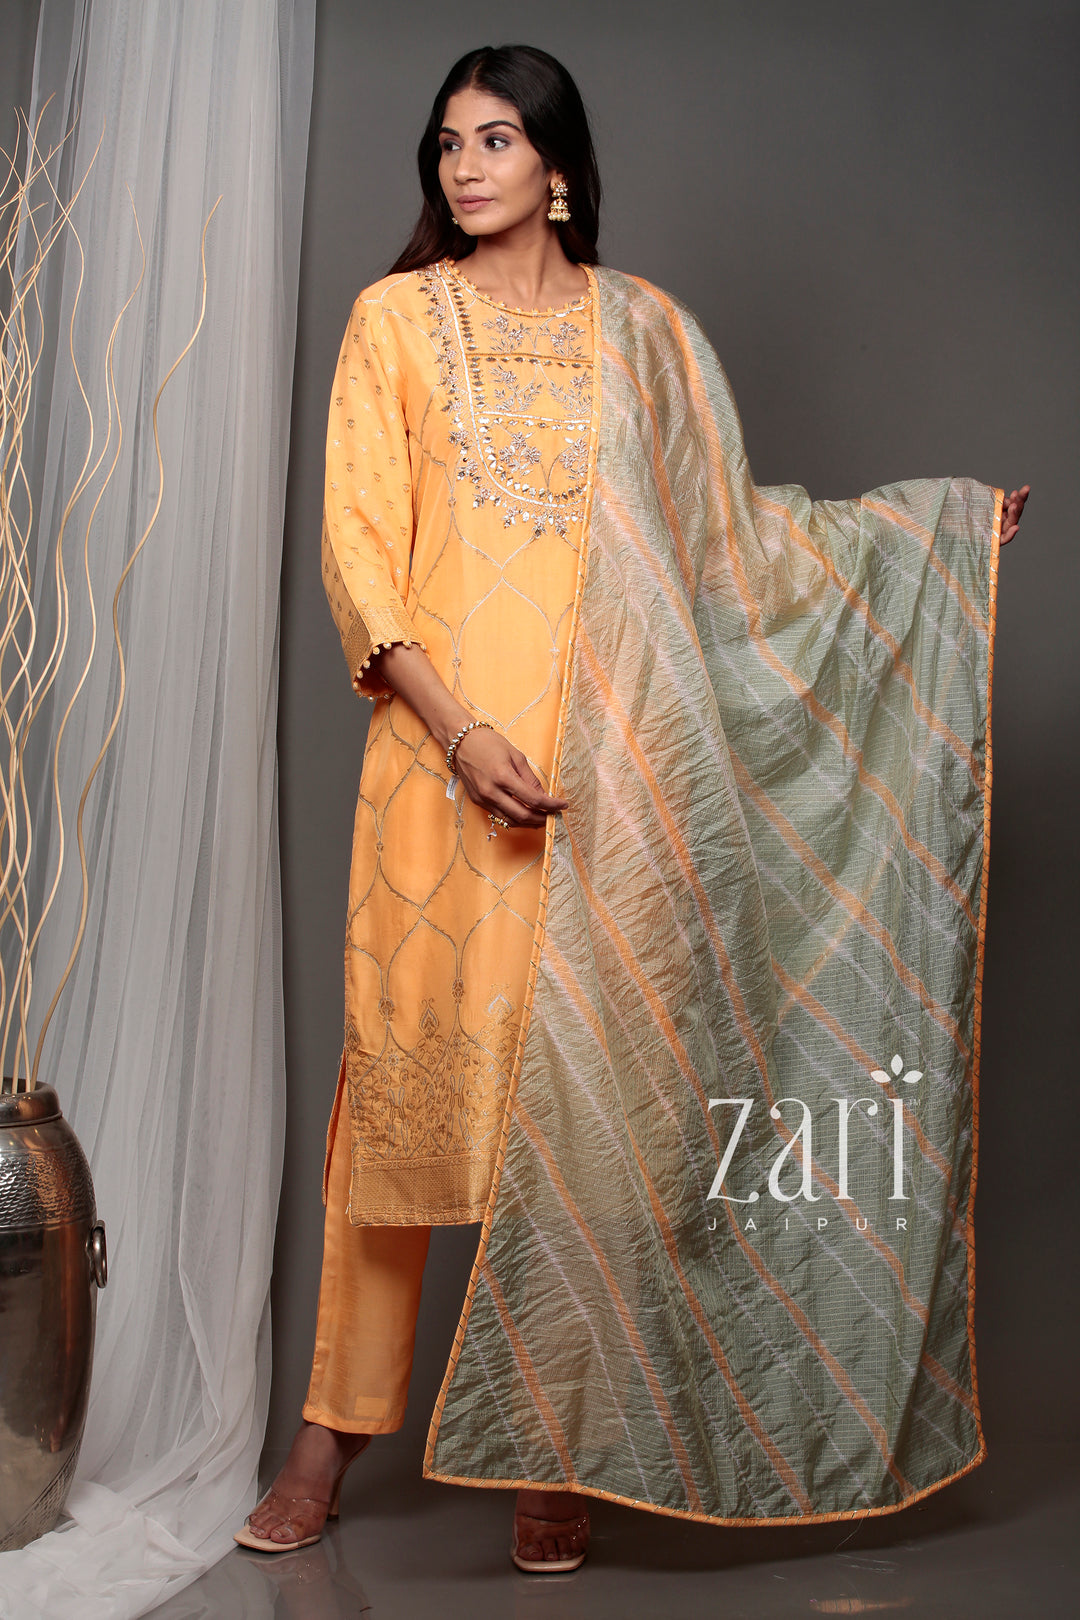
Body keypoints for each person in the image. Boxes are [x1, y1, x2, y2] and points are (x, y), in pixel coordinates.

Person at [236, 44, 1027, 1572]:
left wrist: (934, 540)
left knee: (599, 1117)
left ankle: (560, 1440)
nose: (466, 166)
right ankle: (328, 1439)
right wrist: (461, 736)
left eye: (497, 140)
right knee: (400, 1116)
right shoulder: (396, 321)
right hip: (440, 777)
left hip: (612, 784)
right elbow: (359, 553)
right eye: (449, 143)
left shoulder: (646, 331)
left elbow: (732, 549)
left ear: (558, 167)